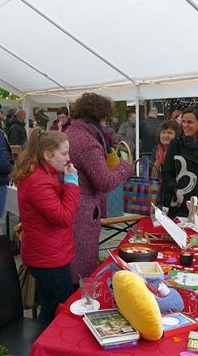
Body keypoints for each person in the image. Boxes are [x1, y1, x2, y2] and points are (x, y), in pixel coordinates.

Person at [12, 128, 80, 325]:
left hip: (49, 253)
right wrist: (71, 183)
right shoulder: (38, 181)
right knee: (55, 310)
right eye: (64, 153)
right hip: (49, 258)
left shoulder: (43, 174)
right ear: (47, 155)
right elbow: (64, 217)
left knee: (50, 307)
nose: (68, 158)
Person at [65, 92, 132, 283]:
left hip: (73, 206)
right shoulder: (88, 142)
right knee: (81, 267)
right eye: (105, 119)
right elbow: (104, 181)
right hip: (82, 212)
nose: (106, 124)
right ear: (100, 117)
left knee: (72, 259)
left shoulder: (70, 132)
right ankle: (78, 303)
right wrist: (125, 167)